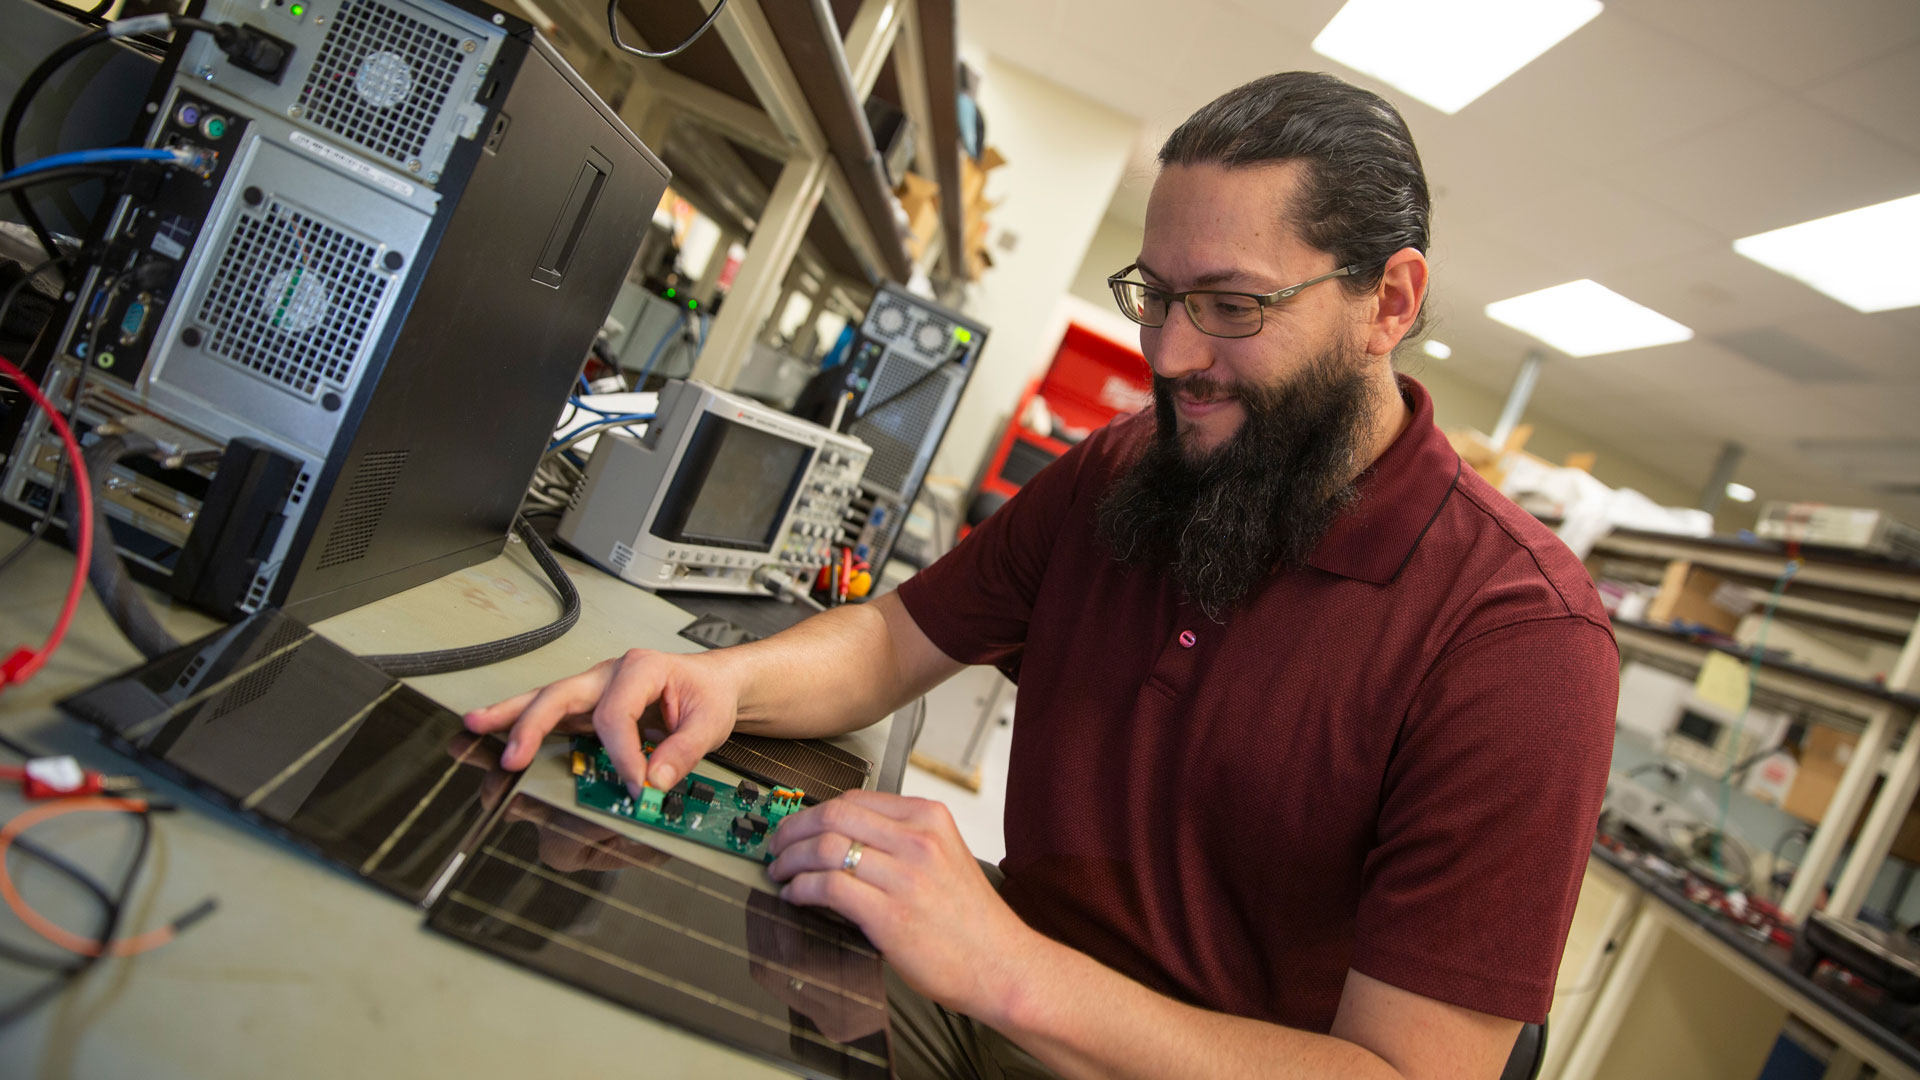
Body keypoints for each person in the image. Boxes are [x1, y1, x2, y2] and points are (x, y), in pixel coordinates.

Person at [467, 72, 1618, 1080]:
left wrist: (1011, 970)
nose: (1166, 356)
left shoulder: (1519, 641)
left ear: (1392, 302)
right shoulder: (1131, 467)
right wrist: (718, 683)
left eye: (1229, 306)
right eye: (1155, 296)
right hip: (1008, 996)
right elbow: (891, 640)